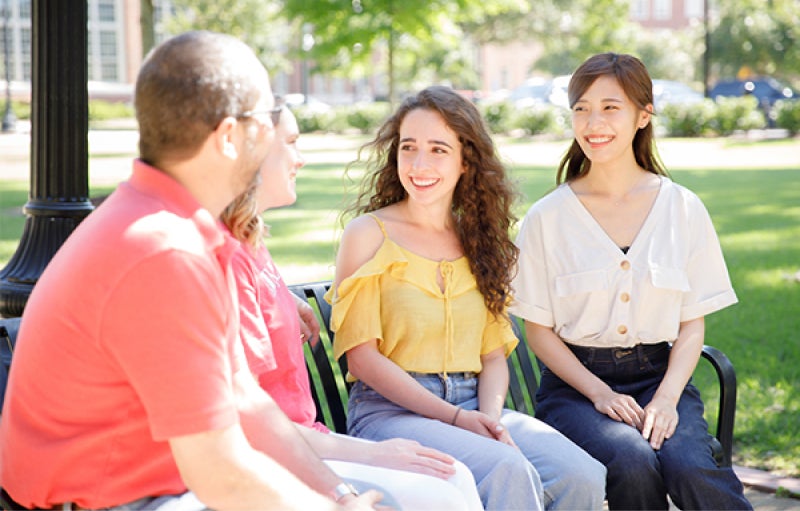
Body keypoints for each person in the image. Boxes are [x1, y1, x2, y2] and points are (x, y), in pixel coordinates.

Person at [0, 31, 381, 511]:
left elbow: (248, 400)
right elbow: (220, 473)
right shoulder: (164, 252)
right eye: (266, 119)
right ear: (228, 136)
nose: (276, 135)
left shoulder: (179, 230)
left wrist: (339, 496)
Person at [324, 85, 606, 511]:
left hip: (475, 404)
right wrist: (456, 420)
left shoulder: (478, 241)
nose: (420, 164)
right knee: (505, 468)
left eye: (438, 149)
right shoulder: (368, 234)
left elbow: (493, 357)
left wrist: (487, 421)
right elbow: (363, 359)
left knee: (581, 474)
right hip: (391, 413)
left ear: (465, 161)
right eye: (409, 148)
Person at [510, 52, 752, 510]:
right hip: (575, 391)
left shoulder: (682, 209)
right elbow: (537, 332)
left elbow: (691, 326)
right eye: (581, 108)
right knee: (631, 458)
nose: (593, 122)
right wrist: (600, 393)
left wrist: (665, 400)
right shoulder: (547, 218)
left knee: (691, 466)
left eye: (610, 107)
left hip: (661, 379)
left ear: (644, 115)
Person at [220, 100, 484, 511]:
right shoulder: (230, 257)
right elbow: (249, 417)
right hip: (277, 456)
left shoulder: (251, 246)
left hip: (305, 440)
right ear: (255, 152)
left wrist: (284, 298)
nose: (301, 159)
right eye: (291, 142)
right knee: (445, 487)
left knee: (453, 478)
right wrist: (371, 458)